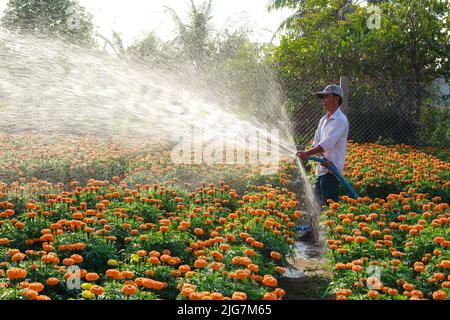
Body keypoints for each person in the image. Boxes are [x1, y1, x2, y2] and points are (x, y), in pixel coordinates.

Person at [296, 84, 349, 205]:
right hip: (321, 170)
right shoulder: (323, 120)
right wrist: (322, 158)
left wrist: (307, 153)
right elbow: (317, 143)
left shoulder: (340, 120)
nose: (323, 100)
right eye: (323, 97)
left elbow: (326, 144)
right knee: (318, 207)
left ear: (337, 98)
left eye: (326, 96)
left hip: (332, 172)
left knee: (329, 209)